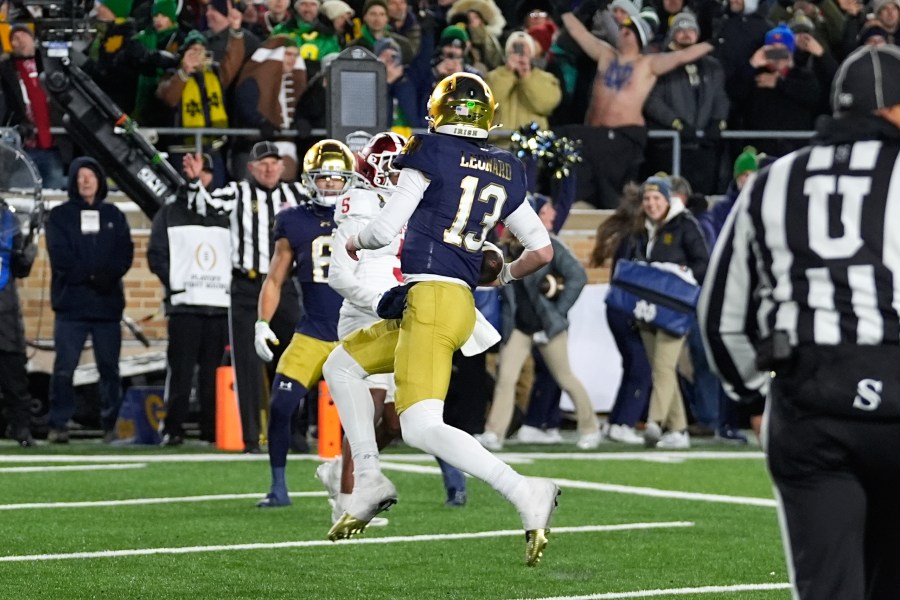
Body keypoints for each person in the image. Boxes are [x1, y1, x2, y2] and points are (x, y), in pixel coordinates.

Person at [322, 73, 559, 567]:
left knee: (421, 425)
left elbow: (385, 229)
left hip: (430, 298)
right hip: (452, 303)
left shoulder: (429, 150)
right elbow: (542, 250)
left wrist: (353, 241)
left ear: (439, 109)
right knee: (340, 366)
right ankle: (368, 478)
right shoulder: (505, 166)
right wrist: (505, 276)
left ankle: (523, 490)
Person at [698, 45, 900, 599]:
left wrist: (747, 399)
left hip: (809, 407)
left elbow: (720, 316)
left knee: (829, 589)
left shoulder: (772, 180)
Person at [252, 139, 354, 507]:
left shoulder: (364, 216)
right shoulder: (293, 220)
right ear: (311, 180)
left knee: (391, 412)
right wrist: (262, 322)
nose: (329, 184)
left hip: (356, 334)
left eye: (337, 178)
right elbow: (275, 278)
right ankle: (278, 487)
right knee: (280, 405)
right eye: (323, 178)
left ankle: (451, 475)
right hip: (313, 331)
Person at [190, 140, 304, 454]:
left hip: (284, 286)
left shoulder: (296, 195)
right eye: (262, 163)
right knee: (247, 364)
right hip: (247, 287)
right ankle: (252, 439)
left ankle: (294, 433)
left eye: (274, 162)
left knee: (295, 359)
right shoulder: (237, 192)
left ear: (282, 167)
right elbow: (204, 206)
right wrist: (197, 182)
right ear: (251, 168)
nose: (269, 168)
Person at [317, 132, 407, 521]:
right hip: (364, 311)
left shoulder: (402, 203)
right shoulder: (360, 202)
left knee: (395, 422)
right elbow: (339, 274)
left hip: (397, 315)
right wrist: (376, 301)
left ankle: (341, 470)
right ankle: (348, 501)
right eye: (396, 164)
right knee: (367, 408)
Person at [554, 0, 716, 208]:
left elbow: (681, 56)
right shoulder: (606, 54)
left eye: (627, 31)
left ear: (639, 36)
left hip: (623, 138)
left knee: (609, 189)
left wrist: (712, 43)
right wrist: (565, 12)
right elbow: (581, 35)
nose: (621, 32)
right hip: (594, 134)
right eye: (621, 29)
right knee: (568, 151)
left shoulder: (647, 64)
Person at [476, 194, 598, 450]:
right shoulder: (504, 249)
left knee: (565, 377)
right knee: (505, 379)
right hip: (519, 326)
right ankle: (494, 433)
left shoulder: (548, 245)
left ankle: (590, 428)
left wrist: (559, 310)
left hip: (547, 325)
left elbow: (578, 276)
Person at [44, 158, 134, 443]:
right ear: (72, 181)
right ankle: (58, 424)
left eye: (91, 175)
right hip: (71, 307)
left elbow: (124, 254)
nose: (86, 181)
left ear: (100, 180)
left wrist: (101, 278)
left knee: (109, 369)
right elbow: (60, 257)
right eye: (80, 176)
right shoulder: (59, 216)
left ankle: (111, 425)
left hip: (107, 307)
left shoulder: (114, 215)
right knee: (64, 368)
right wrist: (92, 275)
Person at [147, 154, 231, 446]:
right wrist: (178, 285)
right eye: (199, 172)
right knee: (180, 372)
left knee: (212, 374)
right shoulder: (170, 212)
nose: (203, 178)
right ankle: (173, 429)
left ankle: (212, 429)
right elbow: (156, 255)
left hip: (219, 308)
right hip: (185, 307)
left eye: (208, 172)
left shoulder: (225, 211)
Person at [628, 176, 708, 449]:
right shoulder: (642, 228)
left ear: (667, 199)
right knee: (661, 370)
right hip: (647, 308)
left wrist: (683, 274)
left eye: (656, 199)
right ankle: (679, 430)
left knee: (663, 367)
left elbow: (703, 264)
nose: (651, 204)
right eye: (647, 199)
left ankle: (655, 423)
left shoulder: (685, 224)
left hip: (674, 308)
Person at [0, 197, 38, 447]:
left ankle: (21, 428)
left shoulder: (7, 219)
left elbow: (20, 267)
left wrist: (29, 248)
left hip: (5, 309)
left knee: (13, 373)